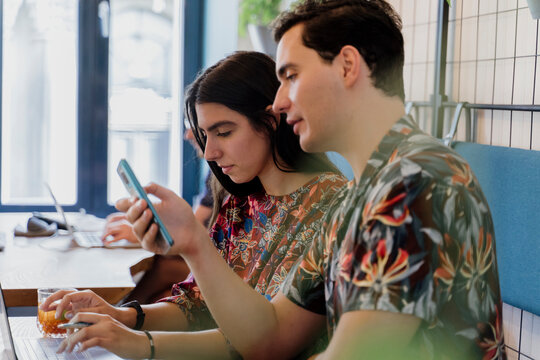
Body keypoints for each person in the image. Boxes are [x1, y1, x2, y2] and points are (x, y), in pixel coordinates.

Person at [100, 1, 505, 359]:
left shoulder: (415, 182)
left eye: (290, 75)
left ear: (348, 66)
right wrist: (194, 244)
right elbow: (271, 338)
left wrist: (142, 341)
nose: (278, 102)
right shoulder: (361, 197)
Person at [42, 51, 346, 359]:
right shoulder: (240, 204)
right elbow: (196, 304)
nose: (210, 151)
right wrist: (124, 316)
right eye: (204, 135)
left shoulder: (330, 206)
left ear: (270, 121)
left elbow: (255, 342)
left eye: (224, 132)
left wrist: (140, 342)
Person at [101, 125, 214, 304]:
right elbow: (196, 224)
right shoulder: (214, 173)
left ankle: (121, 314)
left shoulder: (223, 171)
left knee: (163, 266)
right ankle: (122, 314)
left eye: (196, 127)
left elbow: (199, 235)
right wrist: (145, 224)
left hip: (219, 264)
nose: (187, 135)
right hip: (209, 260)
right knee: (159, 291)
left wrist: (144, 233)